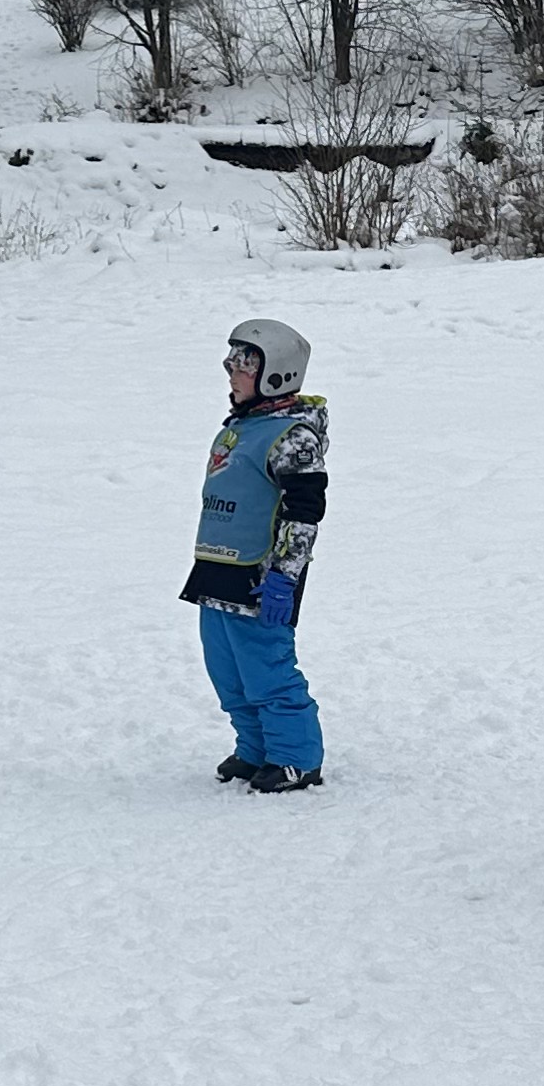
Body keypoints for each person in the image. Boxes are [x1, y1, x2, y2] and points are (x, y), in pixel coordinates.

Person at [185, 317, 328, 792]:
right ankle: (256, 749)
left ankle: (295, 757)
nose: (232, 371)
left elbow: (303, 512)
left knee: (266, 670)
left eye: (244, 363)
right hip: (217, 567)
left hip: (262, 576)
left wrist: (285, 575)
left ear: (276, 373)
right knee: (227, 671)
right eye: (231, 361)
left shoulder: (292, 437)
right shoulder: (241, 429)